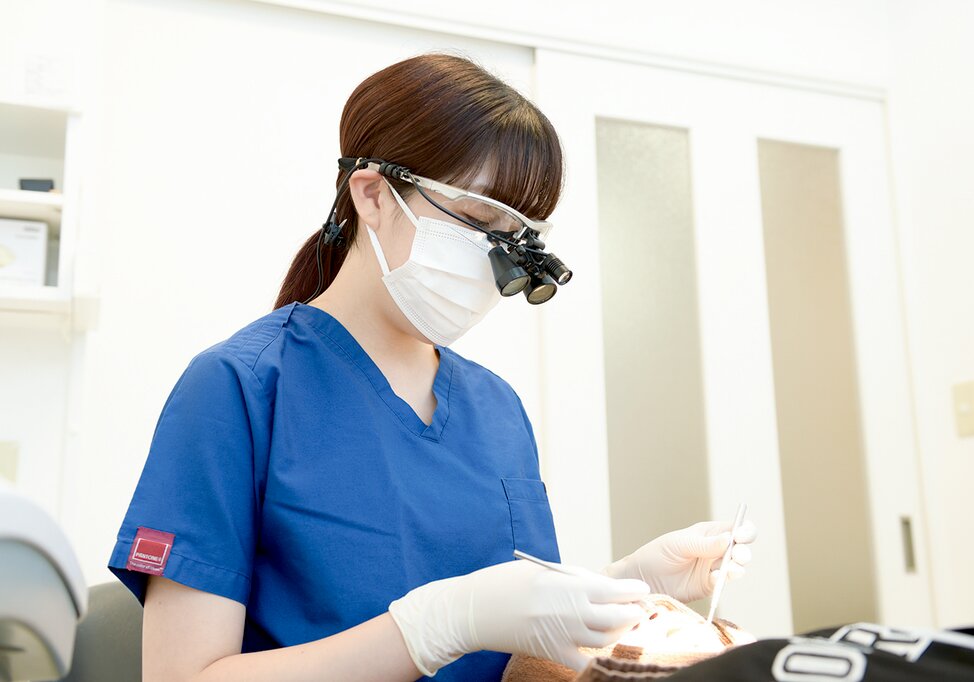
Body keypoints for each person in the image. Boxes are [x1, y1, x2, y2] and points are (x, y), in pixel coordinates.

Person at [107, 53, 756, 682]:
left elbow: (519, 657)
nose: (493, 263)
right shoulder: (238, 390)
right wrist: (434, 625)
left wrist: (623, 586)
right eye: (476, 224)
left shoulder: (496, 409)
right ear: (374, 196)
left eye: (516, 240)